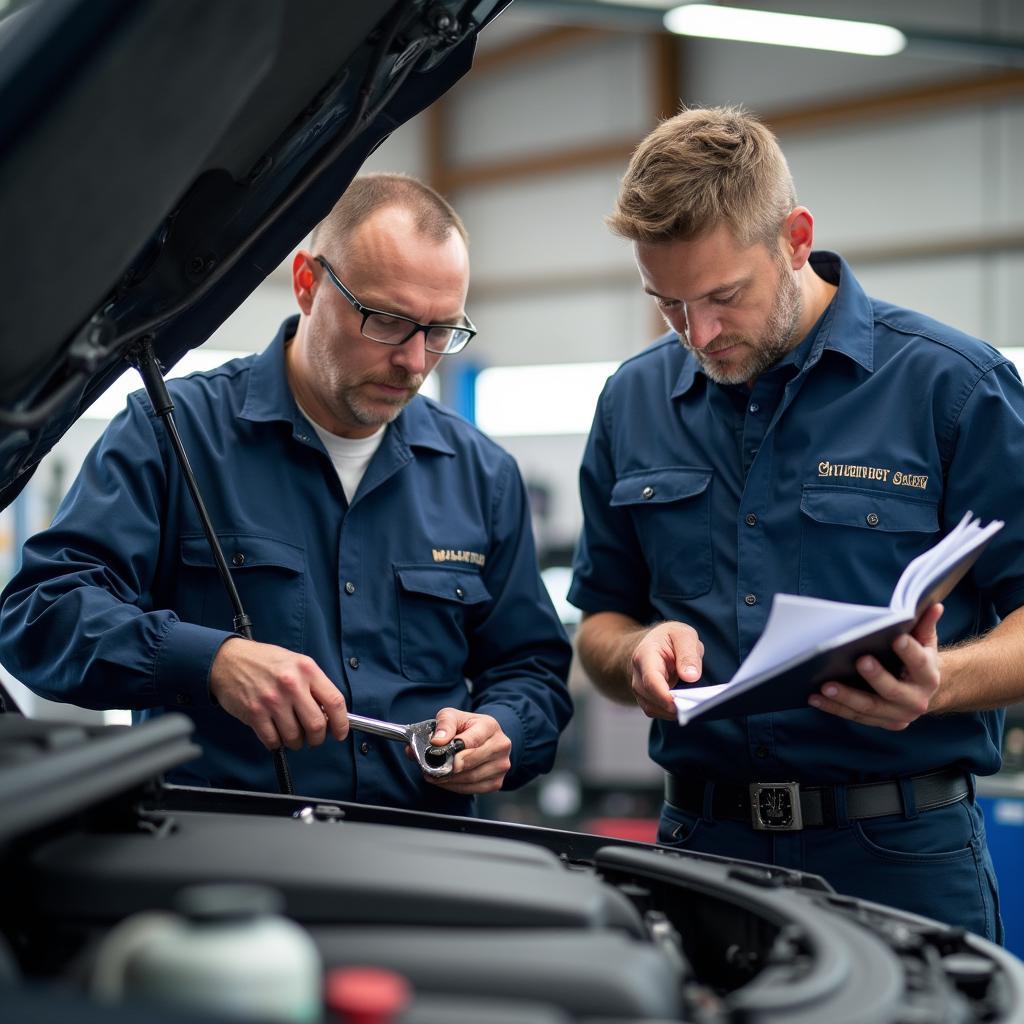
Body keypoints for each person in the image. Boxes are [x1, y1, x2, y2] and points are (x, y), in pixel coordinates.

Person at [568, 106, 1024, 940]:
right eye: (667, 304)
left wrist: (941, 683)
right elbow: (599, 618)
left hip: (899, 858)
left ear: (795, 237)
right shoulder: (632, 401)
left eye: (723, 296)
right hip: (700, 850)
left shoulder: (952, 389)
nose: (697, 334)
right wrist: (633, 651)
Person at [0, 173, 573, 815]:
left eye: (441, 331)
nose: (415, 362)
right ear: (307, 283)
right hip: (222, 862)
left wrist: (505, 732)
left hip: (422, 859)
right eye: (388, 321)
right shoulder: (172, 433)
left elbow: (532, 672)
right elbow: (40, 615)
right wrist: (212, 661)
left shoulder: (480, 475)